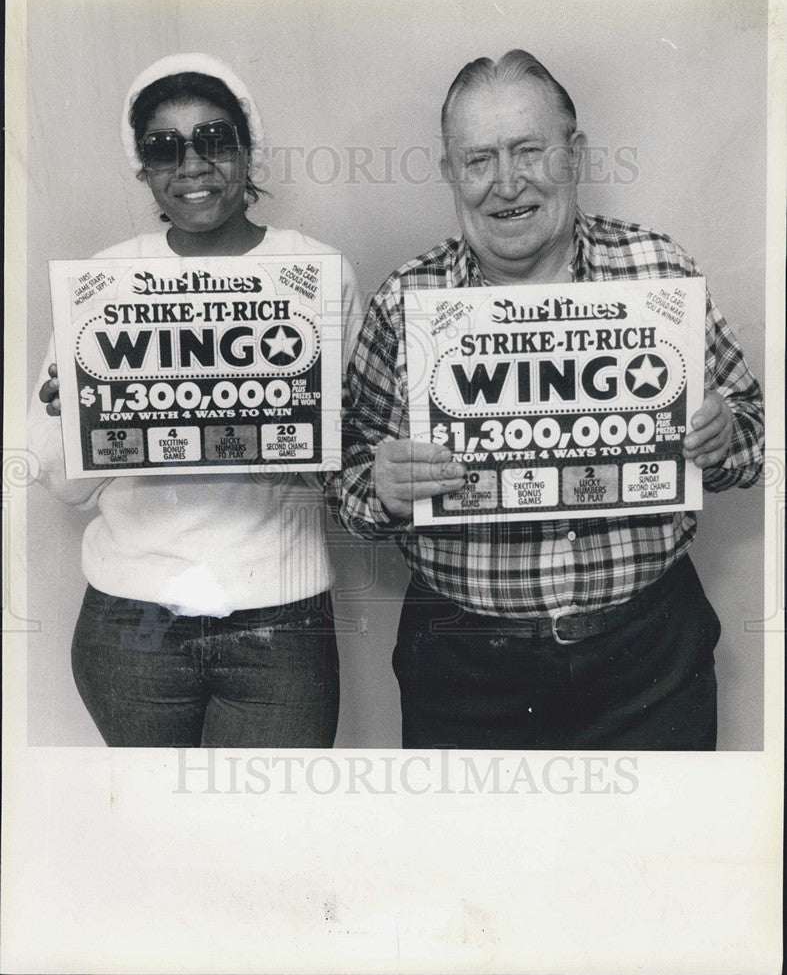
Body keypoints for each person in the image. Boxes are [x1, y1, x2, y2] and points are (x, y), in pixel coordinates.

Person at [337, 49, 764, 751]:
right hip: (462, 666)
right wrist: (379, 488)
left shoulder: (659, 274)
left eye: (529, 150)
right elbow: (345, 481)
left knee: (659, 860)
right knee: (474, 863)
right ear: (450, 175)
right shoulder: (405, 300)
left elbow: (752, 433)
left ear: (574, 155)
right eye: (478, 160)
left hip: (647, 655)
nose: (507, 183)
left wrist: (724, 438)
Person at [29, 53, 362, 748]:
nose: (191, 164)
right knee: (152, 838)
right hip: (134, 619)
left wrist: (322, 426)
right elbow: (64, 486)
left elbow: (358, 465)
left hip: (279, 613)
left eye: (213, 139)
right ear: (143, 168)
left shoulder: (319, 274)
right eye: (163, 147)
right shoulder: (106, 282)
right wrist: (74, 419)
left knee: (269, 841)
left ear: (247, 150)